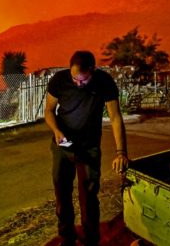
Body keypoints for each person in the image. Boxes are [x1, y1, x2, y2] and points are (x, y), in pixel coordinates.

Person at [45, 51, 129, 246]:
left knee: (89, 197)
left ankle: (91, 240)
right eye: (75, 80)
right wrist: (56, 130)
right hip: (63, 146)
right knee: (62, 194)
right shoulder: (59, 80)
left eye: (83, 81)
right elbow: (49, 111)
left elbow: (116, 117)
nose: (78, 84)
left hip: (89, 147)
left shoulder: (104, 82)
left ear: (93, 70)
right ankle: (67, 238)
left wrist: (121, 152)